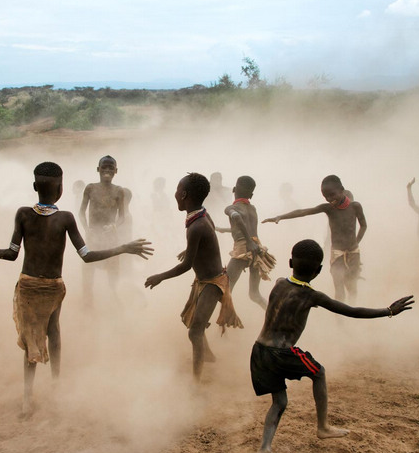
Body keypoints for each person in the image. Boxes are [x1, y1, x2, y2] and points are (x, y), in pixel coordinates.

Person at [0, 161, 152, 418]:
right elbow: (87, 256)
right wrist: (122, 248)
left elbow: (11, 254)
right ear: (60, 189)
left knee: (31, 340)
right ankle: (57, 389)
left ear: (35, 186)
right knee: (53, 333)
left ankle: (27, 400)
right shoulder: (66, 218)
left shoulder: (23, 214)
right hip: (53, 286)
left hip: (28, 285)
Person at [251, 239, 414, 453]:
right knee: (318, 372)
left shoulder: (278, 283)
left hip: (259, 350)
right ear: (319, 270)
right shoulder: (312, 296)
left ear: (290, 262)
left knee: (279, 401)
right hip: (281, 353)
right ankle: (323, 427)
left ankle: (264, 449)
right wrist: (387, 311)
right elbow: (352, 311)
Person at [145, 173, 243, 380]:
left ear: (183, 194)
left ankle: (196, 381)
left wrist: (160, 276)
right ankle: (208, 356)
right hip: (206, 280)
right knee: (194, 322)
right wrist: (191, 249)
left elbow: (187, 266)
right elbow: (209, 237)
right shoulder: (202, 215)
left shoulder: (196, 225)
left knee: (195, 332)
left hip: (213, 283)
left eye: (176, 190)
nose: (174, 194)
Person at [263, 175, 366, 303]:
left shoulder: (355, 206)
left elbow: (363, 225)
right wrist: (280, 217)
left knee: (352, 288)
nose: (330, 199)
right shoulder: (328, 208)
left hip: (353, 253)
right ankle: (340, 321)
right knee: (339, 290)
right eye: (326, 197)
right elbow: (303, 212)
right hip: (337, 254)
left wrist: (357, 242)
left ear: (342, 190)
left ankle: (353, 315)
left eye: (332, 195)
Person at [79, 156, 131, 305]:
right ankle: (87, 304)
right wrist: (86, 228)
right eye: (104, 167)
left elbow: (122, 216)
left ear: (116, 171)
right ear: (98, 169)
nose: (107, 170)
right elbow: (81, 212)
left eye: (110, 168)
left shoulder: (118, 190)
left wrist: (114, 226)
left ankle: (115, 304)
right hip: (93, 236)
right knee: (88, 272)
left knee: (113, 274)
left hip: (111, 238)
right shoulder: (90, 188)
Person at [222, 176, 275, 309]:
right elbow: (243, 227)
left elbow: (238, 218)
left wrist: (248, 242)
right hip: (257, 250)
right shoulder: (253, 209)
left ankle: (224, 326)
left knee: (225, 290)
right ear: (251, 194)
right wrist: (222, 229)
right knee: (254, 294)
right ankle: (274, 316)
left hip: (243, 250)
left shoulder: (230, 208)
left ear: (234, 189)